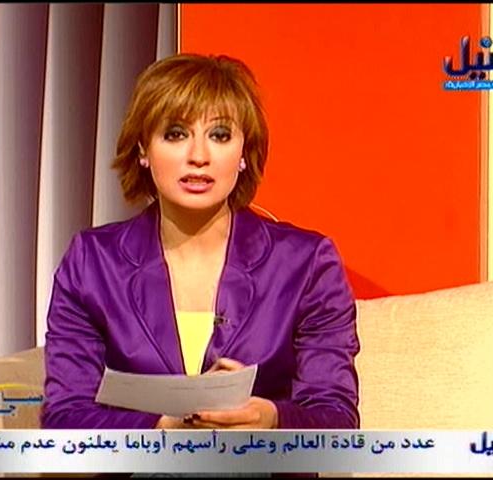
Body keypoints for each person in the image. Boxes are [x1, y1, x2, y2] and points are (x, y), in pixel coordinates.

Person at [41, 53, 360, 433]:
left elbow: (336, 417)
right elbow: (65, 416)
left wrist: (271, 419)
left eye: (220, 135)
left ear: (243, 154)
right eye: (176, 134)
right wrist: (164, 427)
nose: (198, 156)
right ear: (143, 150)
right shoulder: (92, 263)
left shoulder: (306, 264)